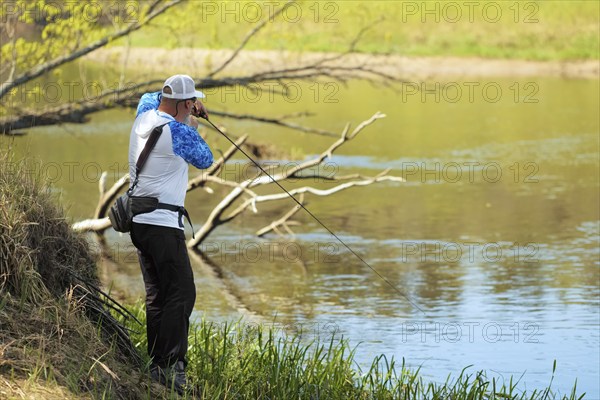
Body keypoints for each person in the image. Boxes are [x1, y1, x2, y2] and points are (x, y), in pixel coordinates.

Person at [128, 74, 213, 394]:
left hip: (140, 223)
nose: (193, 107)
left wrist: (187, 106)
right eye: (190, 102)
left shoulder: (144, 116)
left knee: (158, 294)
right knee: (182, 293)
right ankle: (170, 367)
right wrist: (192, 118)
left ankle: (156, 362)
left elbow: (151, 97)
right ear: (181, 104)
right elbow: (205, 158)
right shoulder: (176, 131)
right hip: (163, 224)